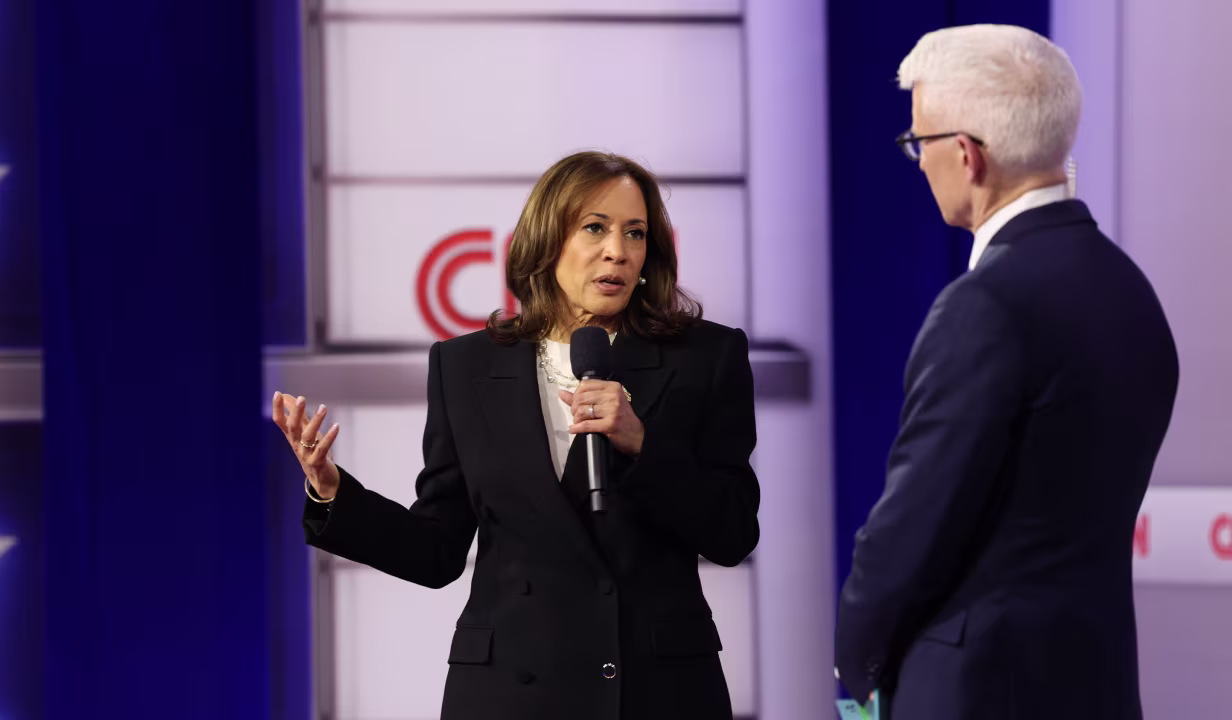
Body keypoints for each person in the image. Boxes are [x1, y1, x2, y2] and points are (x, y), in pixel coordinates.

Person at [272, 151, 760, 720]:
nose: (617, 251)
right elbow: (436, 551)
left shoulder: (706, 357)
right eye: (595, 228)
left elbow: (732, 533)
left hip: (655, 690)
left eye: (635, 233)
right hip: (511, 692)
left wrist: (642, 444)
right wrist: (333, 494)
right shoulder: (465, 366)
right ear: (547, 240)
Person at [835, 25, 1178, 720]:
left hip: (979, 692)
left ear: (965, 155)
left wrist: (856, 655)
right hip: (1096, 685)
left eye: (918, 142)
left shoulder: (985, 305)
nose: (919, 160)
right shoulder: (1132, 292)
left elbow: (914, 522)